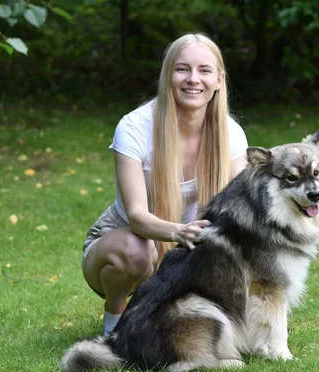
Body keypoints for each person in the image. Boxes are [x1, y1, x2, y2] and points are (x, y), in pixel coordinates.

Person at [81, 33, 249, 336]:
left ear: (219, 80)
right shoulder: (134, 127)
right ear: (167, 74)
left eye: (204, 70)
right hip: (127, 241)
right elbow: (137, 216)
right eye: (182, 69)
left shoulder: (232, 135)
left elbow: (236, 212)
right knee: (136, 251)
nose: (193, 79)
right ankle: (114, 327)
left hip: (186, 251)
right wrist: (177, 231)